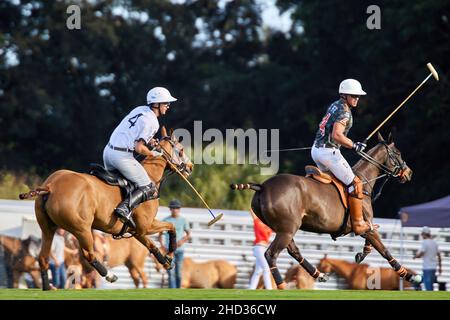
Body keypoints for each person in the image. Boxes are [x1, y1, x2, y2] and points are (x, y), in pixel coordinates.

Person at [103, 87, 177, 227]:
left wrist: (150, 141)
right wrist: (153, 153)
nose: (168, 106)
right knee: (148, 186)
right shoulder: (153, 122)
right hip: (121, 156)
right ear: (157, 104)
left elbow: (135, 132)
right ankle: (124, 208)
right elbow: (139, 148)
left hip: (108, 152)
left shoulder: (140, 109)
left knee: (125, 184)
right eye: (166, 103)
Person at [311, 79, 372, 235]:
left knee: (338, 183)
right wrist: (354, 145)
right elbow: (337, 135)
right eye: (354, 96)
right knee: (356, 184)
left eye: (358, 96)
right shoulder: (344, 111)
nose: (357, 99)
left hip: (316, 150)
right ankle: (358, 224)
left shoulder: (334, 105)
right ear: (344, 95)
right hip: (328, 153)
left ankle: (337, 217)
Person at [158, 199, 191, 288]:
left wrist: (181, 241)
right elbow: (160, 234)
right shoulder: (166, 220)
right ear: (170, 209)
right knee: (170, 272)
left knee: (178, 273)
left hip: (180, 250)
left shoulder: (184, 220)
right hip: (169, 251)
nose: (175, 210)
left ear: (179, 209)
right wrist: (162, 246)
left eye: (176, 208)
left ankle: (178, 290)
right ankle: (172, 291)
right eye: (173, 208)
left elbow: (188, 235)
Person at [248, 209, 273, 290]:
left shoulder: (269, 224)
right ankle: (269, 289)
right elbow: (251, 209)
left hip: (265, 248)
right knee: (266, 269)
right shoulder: (257, 221)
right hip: (259, 247)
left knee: (258, 271)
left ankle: (251, 289)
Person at [413, 226, 442, 291]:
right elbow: (439, 256)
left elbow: (422, 253)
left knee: (428, 288)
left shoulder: (425, 242)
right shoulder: (434, 243)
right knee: (416, 281)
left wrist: (415, 257)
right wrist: (440, 268)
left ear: (424, 234)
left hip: (427, 268)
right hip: (433, 268)